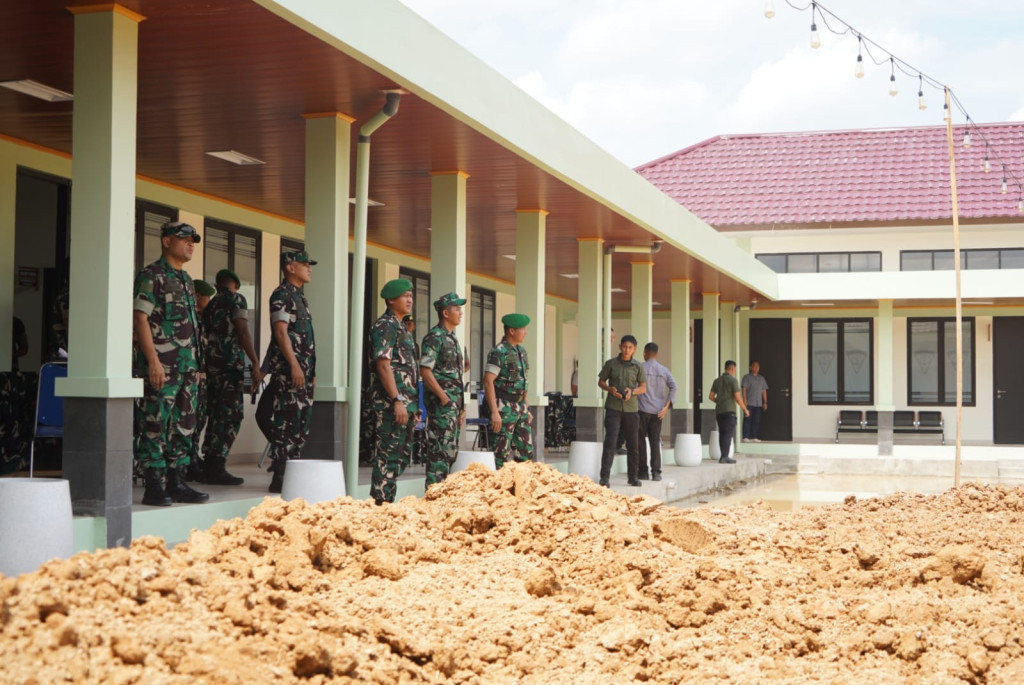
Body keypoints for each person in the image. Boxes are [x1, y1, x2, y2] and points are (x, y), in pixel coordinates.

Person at [132, 221, 208, 506]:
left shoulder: (187, 280)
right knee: (155, 423)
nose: (190, 244)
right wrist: (152, 361)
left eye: (193, 241)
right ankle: (154, 484)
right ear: (166, 241)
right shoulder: (152, 275)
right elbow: (140, 318)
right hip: (162, 366)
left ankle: (177, 481)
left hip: (187, 368)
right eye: (184, 239)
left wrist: (198, 368)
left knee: (184, 425)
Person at [200, 269, 263, 485]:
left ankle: (208, 462)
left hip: (212, 369)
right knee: (231, 417)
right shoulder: (237, 299)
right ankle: (217, 466)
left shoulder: (211, 306)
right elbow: (243, 330)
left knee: (215, 416)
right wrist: (254, 362)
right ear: (235, 284)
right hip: (230, 368)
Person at [262, 250, 317, 493]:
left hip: (303, 374)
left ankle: (292, 477)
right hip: (289, 373)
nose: (309, 268)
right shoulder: (281, 294)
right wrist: (294, 365)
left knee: (299, 425)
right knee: (286, 423)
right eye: (304, 264)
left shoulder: (300, 297)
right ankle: (281, 477)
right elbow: (280, 333)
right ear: (290, 267)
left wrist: (310, 370)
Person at [369, 278, 419, 504]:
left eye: (411, 295)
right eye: (404, 296)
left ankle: (388, 505)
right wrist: (397, 400)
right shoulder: (385, 325)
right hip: (391, 404)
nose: (410, 299)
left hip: (406, 404)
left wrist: (412, 405)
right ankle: (380, 506)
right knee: (388, 457)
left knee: (398, 458)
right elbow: (383, 364)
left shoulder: (401, 326)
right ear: (391, 300)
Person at [419, 292, 466, 487]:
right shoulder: (435, 337)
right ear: (445, 313)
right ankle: (433, 497)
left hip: (452, 408)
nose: (460, 312)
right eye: (456, 308)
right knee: (439, 454)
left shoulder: (452, 338)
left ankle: (442, 498)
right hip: (442, 407)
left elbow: (456, 376)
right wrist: (444, 398)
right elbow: (425, 370)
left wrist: (460, 408)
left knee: (449, 454)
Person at [483, 313, 532, 469]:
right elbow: (488, 381)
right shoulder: (499, 352)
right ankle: (497, 491)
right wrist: (494, 412)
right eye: (523, 329)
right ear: (511, 331)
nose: (526, 332)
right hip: (503, 407)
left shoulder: (522, 352)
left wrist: (526, 408)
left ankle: (521, 489)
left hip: (520, 407)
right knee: (500, 454)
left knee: (525, 454)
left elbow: (524, 383)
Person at [597, 334, 646, 487]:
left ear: (634, 349)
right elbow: (601, 381)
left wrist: (632, 391)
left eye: (630, 347)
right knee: (610, 443)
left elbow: (643, 387)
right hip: (613, 408)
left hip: (631, 410)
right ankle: (604, 478)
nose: (627, 350)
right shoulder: (611, 364)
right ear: (620, 347)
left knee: (633, 445)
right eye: (624, 346)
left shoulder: (638, 367)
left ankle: (633, 477)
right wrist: (609, 389)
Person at [185, 279, 216, 481]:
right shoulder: (190, 318)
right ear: (197, 297)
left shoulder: (204, 319)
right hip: (191, 377)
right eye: (206, 298)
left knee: (200, 419)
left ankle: (193, 458)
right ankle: (188, 462)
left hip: (202, 377)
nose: (209, 302)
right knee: (190, 420)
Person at [637, 342, 677, 481]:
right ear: (657, 354)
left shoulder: (640, 368)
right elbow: (674, 387)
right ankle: (656, 472)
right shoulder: (664, 370)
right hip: (658, 412)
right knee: (655, 441)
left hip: (641, 410)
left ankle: (642, 472)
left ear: (644, 353)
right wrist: (666, 406)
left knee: (640, 440)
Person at [709, 360, 749, 464]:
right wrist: (745, 409)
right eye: (734, 369)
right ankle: (724, 457)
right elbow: (737, 397)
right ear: (732, 368)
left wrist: (720, 401)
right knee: (728, 434)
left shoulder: (717, 381)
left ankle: (723, 456)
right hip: (729, 411)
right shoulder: (733, 380)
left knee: (722, 433)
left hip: (719, 411)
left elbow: (711, 397)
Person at [741, 360, 769, 443]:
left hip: (758, 403)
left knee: (756, 420)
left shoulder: (761, 378)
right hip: (749, 402)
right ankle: (745, 436)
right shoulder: (746, 377)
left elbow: (764, 391)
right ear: (750, 367)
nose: (756, 368)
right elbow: (744, 389)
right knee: (747, 419)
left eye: (758, 366)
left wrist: (765, 402)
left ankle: (754, 436)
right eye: (754, 366)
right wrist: (744, 400)